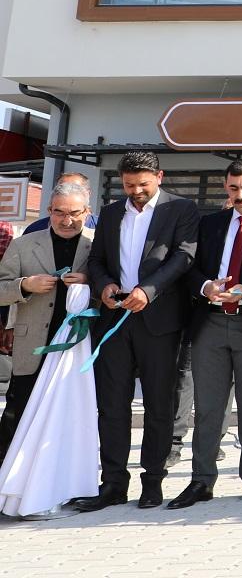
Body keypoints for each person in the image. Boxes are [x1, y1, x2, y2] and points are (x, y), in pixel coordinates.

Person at [74, 151, 199, 511]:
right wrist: (105, 286)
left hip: (159, 321)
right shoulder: (112, 212)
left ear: (159, 177)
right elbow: (97, 260)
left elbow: (184, 256)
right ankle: (113, 483)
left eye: (142, 184)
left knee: (159, 404)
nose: (136, 191)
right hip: (114, 320)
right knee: (112, 405)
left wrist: (149, 291)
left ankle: (153, 481)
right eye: (129, 185)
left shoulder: (181, 209)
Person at [167, 160, 242, 509]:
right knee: (208, 408)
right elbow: (189, 267)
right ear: (226, 188)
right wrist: (206, 286)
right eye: (233, 188)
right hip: (210, 323)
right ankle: (201, 480)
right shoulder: (210, 224)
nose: (240, 195)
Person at [0, 182, 94, 463]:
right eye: (59, 212)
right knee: (19, 412)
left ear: (87, 212)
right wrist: (25, 285)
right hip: (34, 345)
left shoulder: (99, 243)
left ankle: (59, 470)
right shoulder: (24, 244)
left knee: (72, 414)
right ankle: (9, 471)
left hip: (81, 346)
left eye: (74, 213)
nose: (67, 220)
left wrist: (89, 281)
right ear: (49, 210)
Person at [22, 172, 97, 233]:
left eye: (75, 189)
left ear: (88, 194)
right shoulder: (35, 230)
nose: (67, 192)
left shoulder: (100, 229)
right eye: (61, 189)